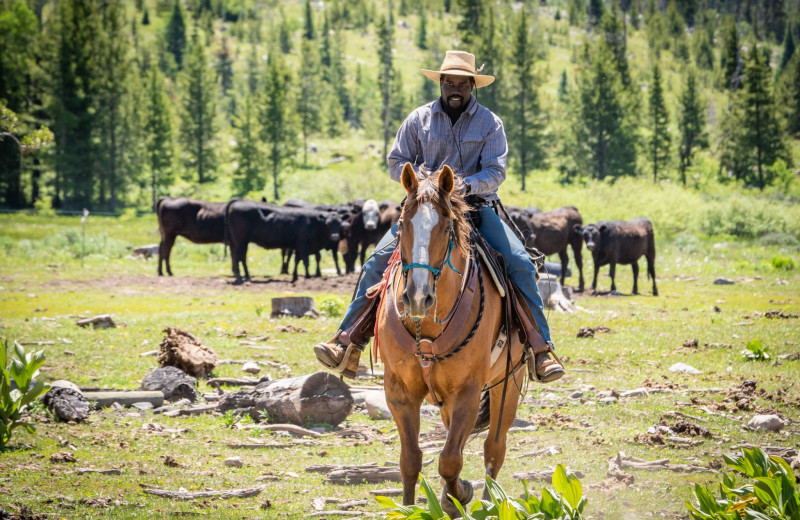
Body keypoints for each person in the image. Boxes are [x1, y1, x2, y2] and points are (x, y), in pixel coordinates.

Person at [314, 50, 564, 383]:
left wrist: (462, 185)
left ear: (473, 85)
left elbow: (496, 171)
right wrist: (425, 183)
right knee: (377, 262)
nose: (456, 88)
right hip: (425, 209)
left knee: (518, 262)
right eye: (450, 82)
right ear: (441, 83)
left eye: (463, 83)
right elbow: (395, 161)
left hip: (476, 208)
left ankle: (539, 347)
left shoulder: (490, 123)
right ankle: (348, 341)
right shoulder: (419, 119)